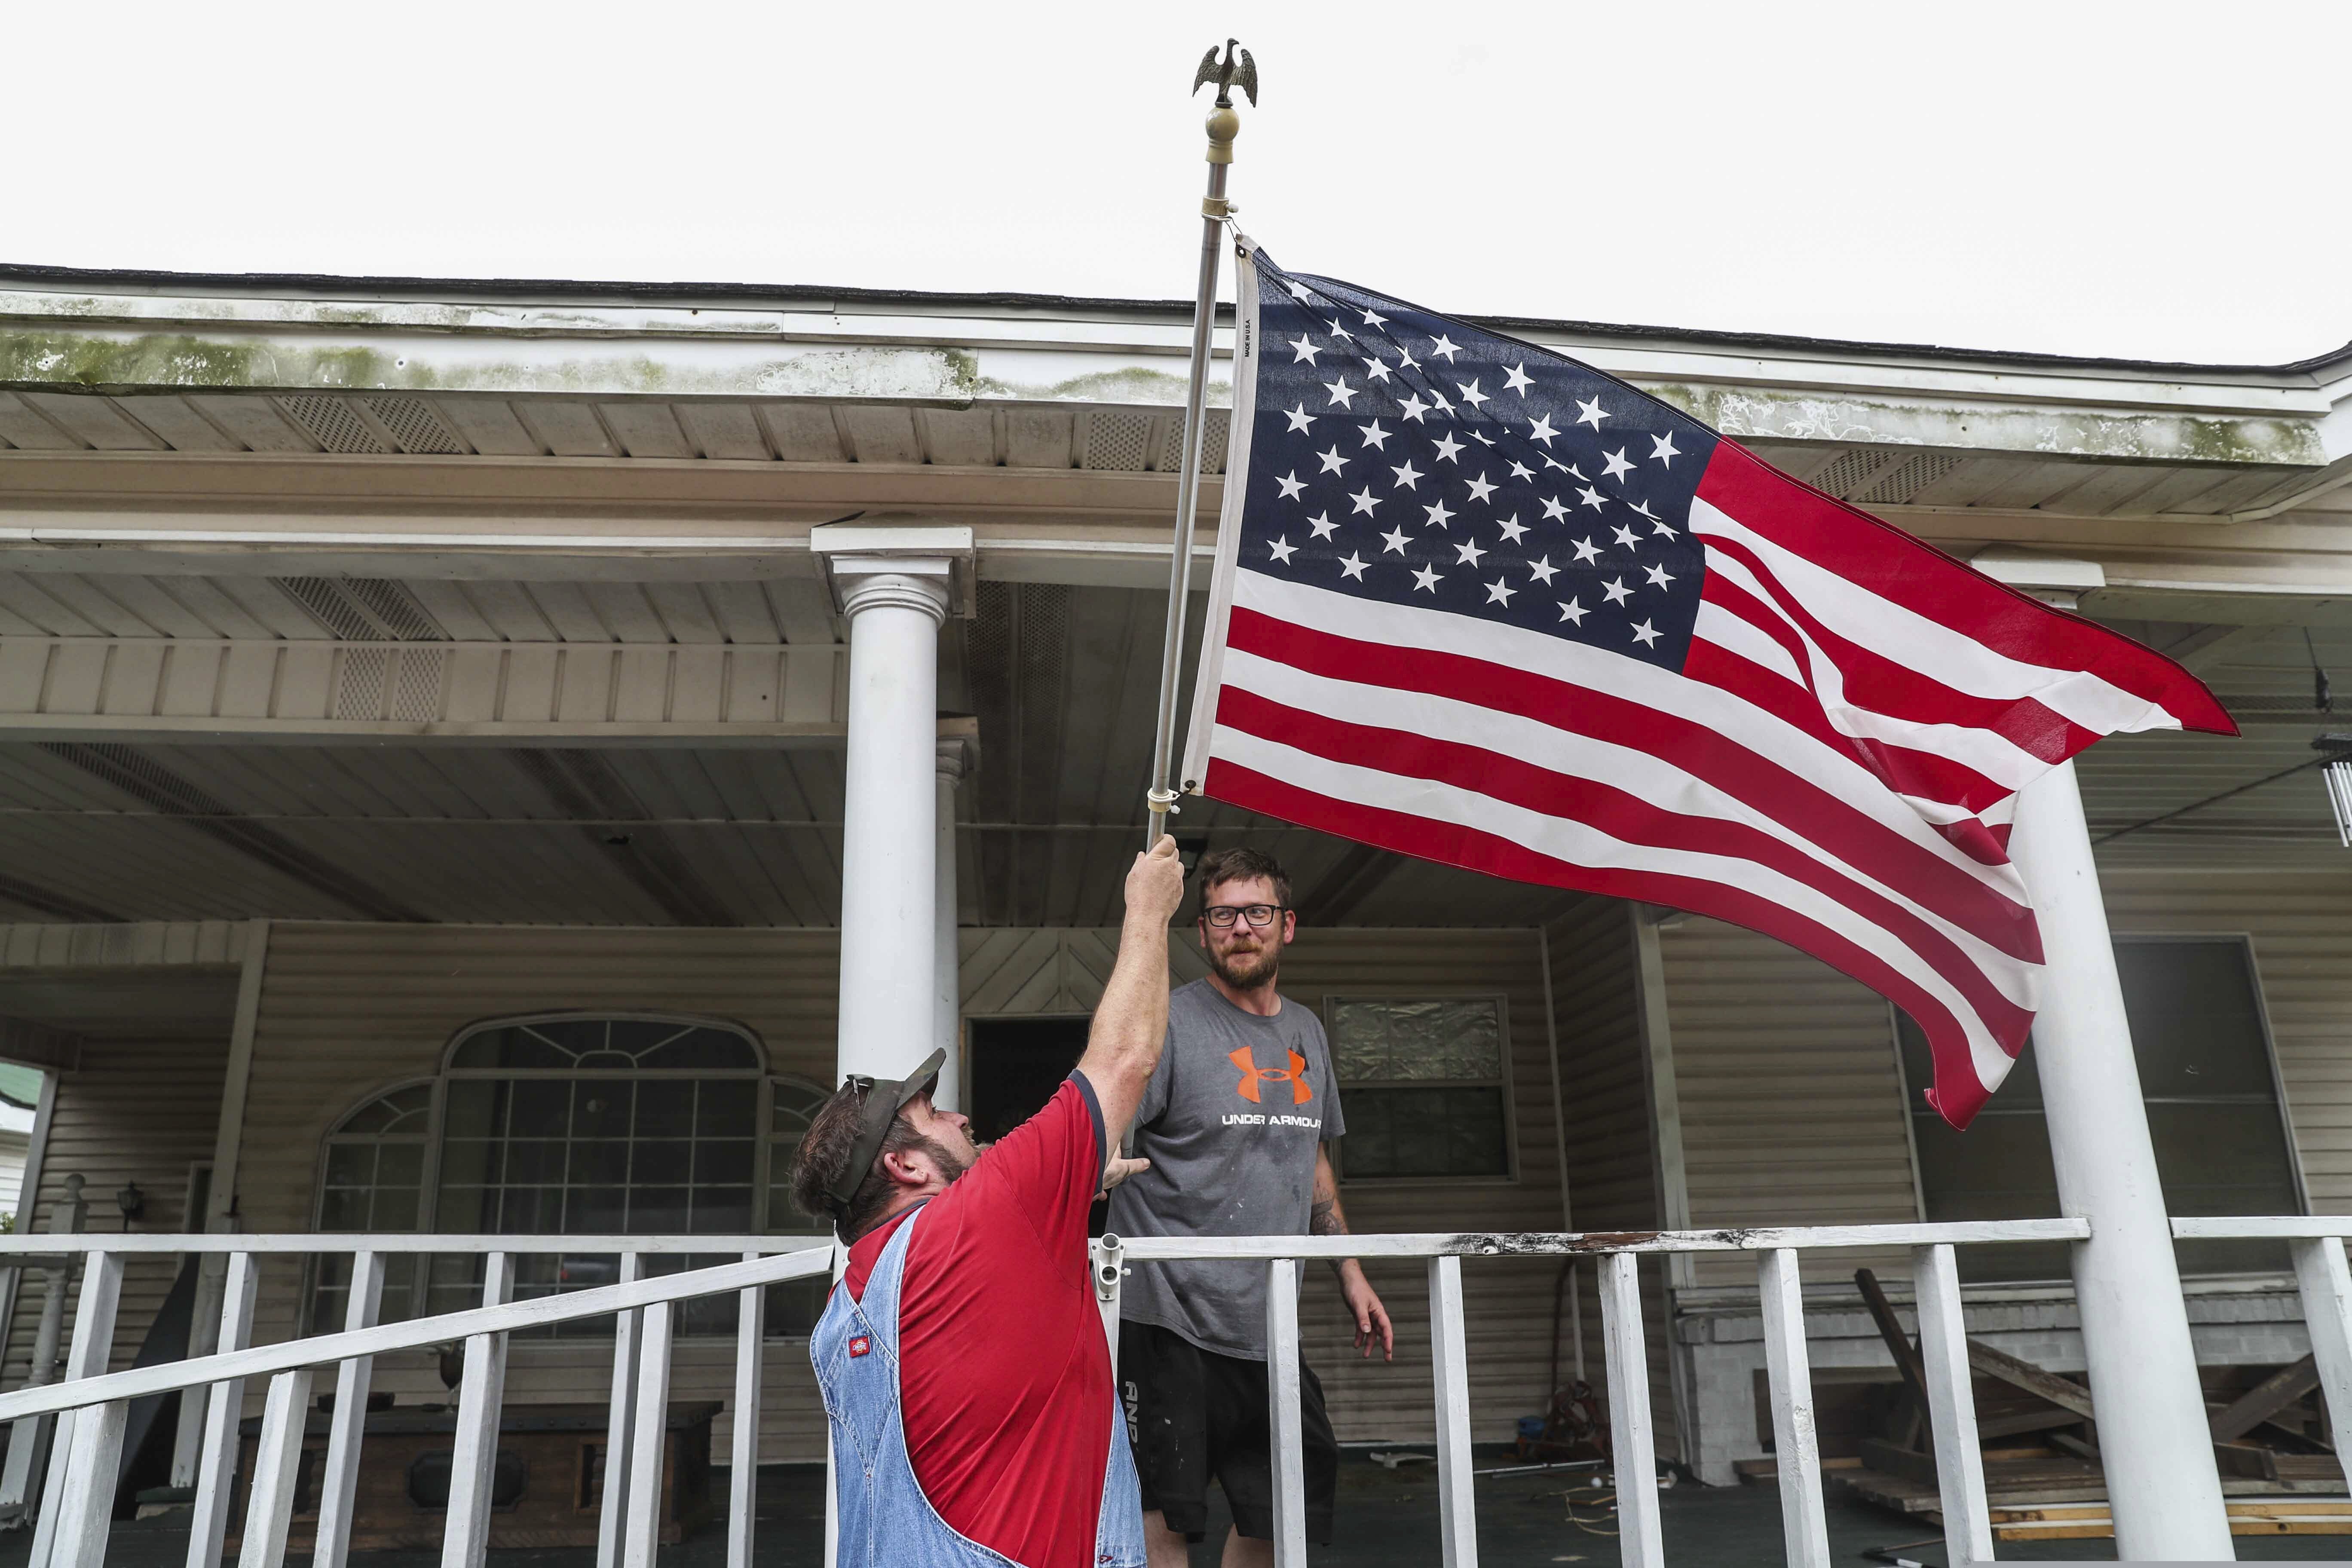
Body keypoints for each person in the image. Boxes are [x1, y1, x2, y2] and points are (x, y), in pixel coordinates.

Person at [790, 834, 1186, 1568]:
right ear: (904, 1163)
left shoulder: (848, 1300)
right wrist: (1148, 910)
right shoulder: (990, 1217)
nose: (961, 1118)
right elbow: (1126, 1058)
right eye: (933, 1116)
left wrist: (1071, 1189)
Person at [1106, 846, 1396, 1566]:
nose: (1242, 927)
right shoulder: (1169, 1024)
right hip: (1165, 1314)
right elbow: (1106, 1130)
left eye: (1257, 913)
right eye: (1224, 915)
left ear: (1286, 926)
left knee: (1280, 1507)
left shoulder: (1306, 1032)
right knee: (1165, 1515)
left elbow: (1313, 1160)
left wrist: (1349, 1269)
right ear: (1202, 932)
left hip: (1267, 1317)